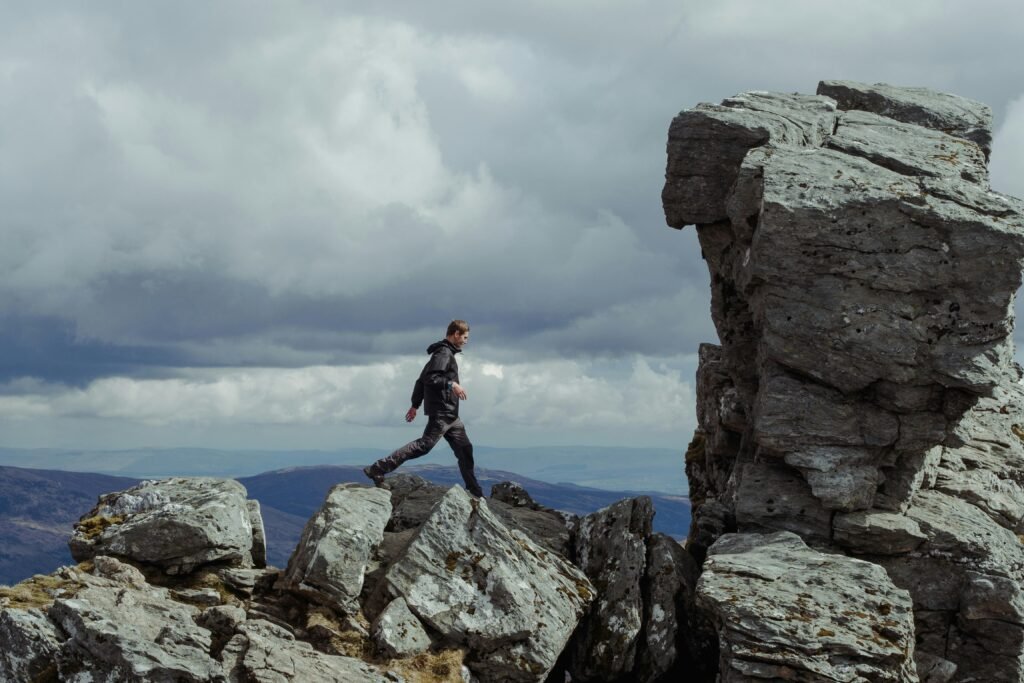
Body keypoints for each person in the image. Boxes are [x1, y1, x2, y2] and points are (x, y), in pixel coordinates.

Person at [363, 320, 484, 497]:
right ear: (456, 334)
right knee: (424, 445)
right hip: (442, 413)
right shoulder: (443, 353)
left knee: (465, 450)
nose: (466, 341)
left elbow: (420, 381)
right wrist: (452, 384)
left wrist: (414, 405)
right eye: (465, 337)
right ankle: (377, 468)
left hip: (452, 416)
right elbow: (431, 378)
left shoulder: (444, 352)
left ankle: (475, 491)